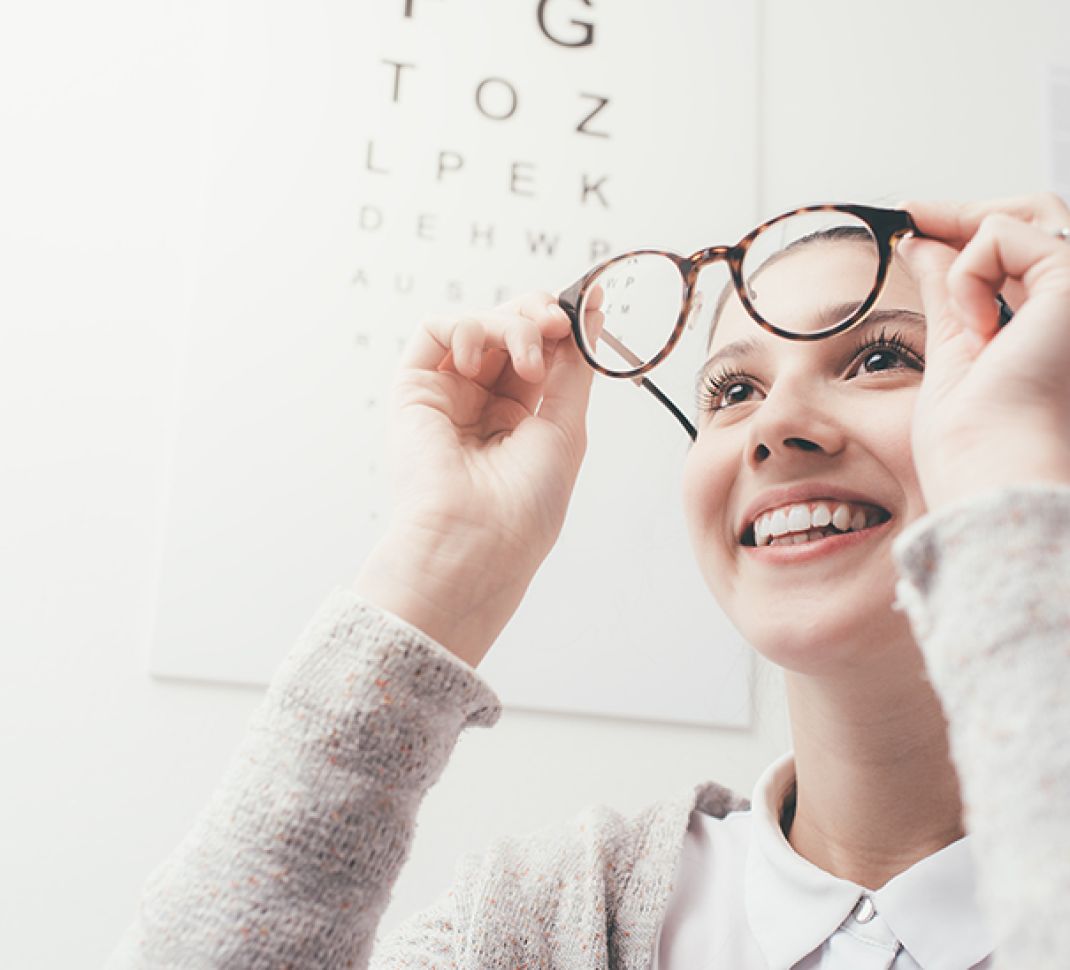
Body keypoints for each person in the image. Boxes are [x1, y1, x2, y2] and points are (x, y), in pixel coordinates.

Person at [106, 194, 1070, 969]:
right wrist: (444, 562)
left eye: (881, 357)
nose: (777, 425)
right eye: (733, 391)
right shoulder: (548, 920)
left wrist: (1019, 505)